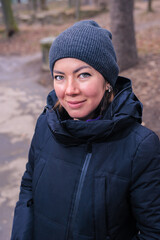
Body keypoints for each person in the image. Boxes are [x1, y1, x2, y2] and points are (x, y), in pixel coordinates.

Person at [11, 20, 160, 240]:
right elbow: (28, 188)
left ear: (107, 81)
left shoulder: (140, 147)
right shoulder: (46, 124)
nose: (69, 90)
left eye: (83, 75)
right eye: (59, 77)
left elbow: (153, 233)